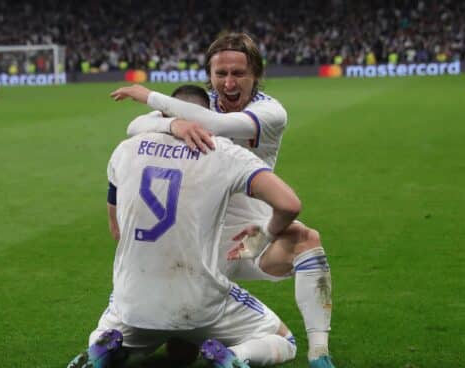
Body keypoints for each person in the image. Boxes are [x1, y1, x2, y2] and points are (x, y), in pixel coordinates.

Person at [110, 32, 334, 368]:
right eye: (220, 74)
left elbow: (217, 124)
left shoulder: (269, 112)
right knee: (180, 353)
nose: (229, 83)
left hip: (250, 235)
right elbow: (135, 125)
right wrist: (173, 125)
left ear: (256, 75)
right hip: (196, 236)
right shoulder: (198, 104)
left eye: (238, 74)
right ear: (210, 76)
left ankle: (320, 354)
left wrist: (150, 96)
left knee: (306, 240)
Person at [70, 85, 299, 368]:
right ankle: (235, 358)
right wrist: (264, 235)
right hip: (201, 304)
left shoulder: (124, 150)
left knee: (107, 333)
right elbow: (289, 204)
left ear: (163, 114)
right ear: (208, 114)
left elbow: (116, 230)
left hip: (133, 303)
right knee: (285, 341)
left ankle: (103, 349)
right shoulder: (225, 153)